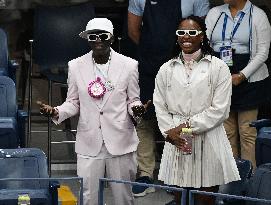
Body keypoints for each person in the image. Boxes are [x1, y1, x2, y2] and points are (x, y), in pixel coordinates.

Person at [38, 18, 150, 205]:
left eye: (103, 36)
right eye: (93, 36)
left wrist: (136, 109)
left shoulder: (129, 65)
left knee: (124, 197)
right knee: (89, 198)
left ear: (111, 39)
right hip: (89, 141)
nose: (98, 39)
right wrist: (56, 112)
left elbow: (133, 100)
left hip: (121, 140)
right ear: (87, 39)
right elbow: (73, 102)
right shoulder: (75, 66)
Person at [153, 16, 240, 205]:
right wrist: (169, 133)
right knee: (178, 196)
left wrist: (186, 126)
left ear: (202, 36)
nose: (186, 36)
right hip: (175, 138)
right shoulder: (165, 69)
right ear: (176, 37)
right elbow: (159, 105)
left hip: (208, 136)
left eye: (192, 32)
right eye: (181, 32)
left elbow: (220, 110)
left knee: (205, 197)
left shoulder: (219, 67)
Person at [128, 0, 210, 197]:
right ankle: (145, 174)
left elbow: (201, 33)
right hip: (149, 65)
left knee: (182, 117)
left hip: (183, 65)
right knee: (144, 119)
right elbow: (133, 31)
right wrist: (153, 50)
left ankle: (180, 174)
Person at [205, 0, 271, 168]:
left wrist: (242, 75)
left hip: (249, 78)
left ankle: (250, 181)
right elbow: (205, 44)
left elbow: (263, 53)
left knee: (247, 131)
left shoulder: (258, 15)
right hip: (221, 76)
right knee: (227, 132)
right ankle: (232, 179)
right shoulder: (215, 13)